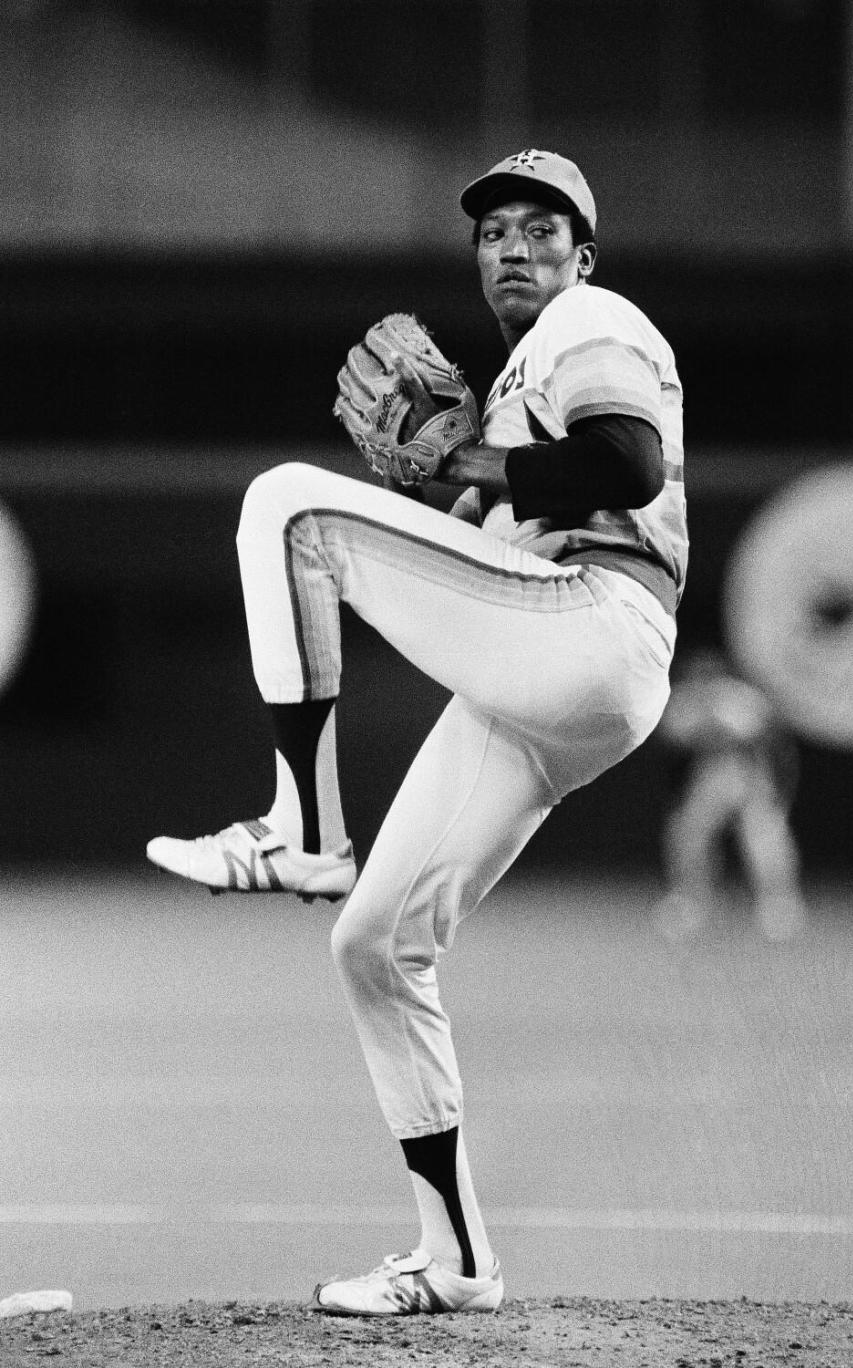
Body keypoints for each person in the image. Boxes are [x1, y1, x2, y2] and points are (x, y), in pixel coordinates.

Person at [147, 149, 687, 1315]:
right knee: (375, 946)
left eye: (544, 228)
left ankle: (301, 824)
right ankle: (456, 1261)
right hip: (548, 677)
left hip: (597, 627)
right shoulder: (506, 393)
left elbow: (628, 464)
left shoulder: (594, 317)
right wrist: (449, 481)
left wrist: (464, 464)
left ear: (583, 256)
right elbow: (483, 523)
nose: (516, 246)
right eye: (494, 231)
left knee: (285, 504)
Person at [652, 648, 807, 942]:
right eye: (698, 676)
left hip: (750, 775)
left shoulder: (740, 698)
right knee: (687, 834)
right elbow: (670, 737)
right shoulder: (684, 700)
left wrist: (778, 789)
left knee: (764, 839)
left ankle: (779, 906)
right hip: (710, 776)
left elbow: (770, 741)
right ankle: (691, 902)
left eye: (708, 676)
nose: (703, 681)